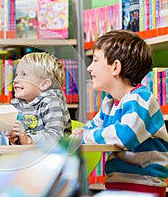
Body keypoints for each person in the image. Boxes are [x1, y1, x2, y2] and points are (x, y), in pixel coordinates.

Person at [71, 29, 168, 197]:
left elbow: (124, 135)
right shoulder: (109, 102)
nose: (89, 67)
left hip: (143, 187)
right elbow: (91, 128)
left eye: (95, 60)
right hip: (118, 185)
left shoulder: (140, 99)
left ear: (115, 67)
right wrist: (80, 134)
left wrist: (84, 136)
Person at [7, 52, 72, 145]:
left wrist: (28, 140)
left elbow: (56, 137)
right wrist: (14, 139)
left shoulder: (52, 103)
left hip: (54, 157)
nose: (16, 80)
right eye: (17, 75)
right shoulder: (16, 104)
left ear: (44, 84)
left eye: (24, 75)